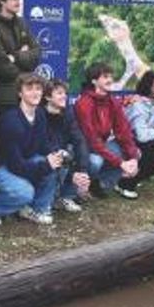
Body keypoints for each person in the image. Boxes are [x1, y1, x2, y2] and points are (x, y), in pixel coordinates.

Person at [0, 74, 62, 225]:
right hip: (1, 167)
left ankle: (37, 209)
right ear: (20, 93)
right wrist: (45, 165)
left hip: (23, 161)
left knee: (53, 163)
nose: (35, 93)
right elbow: (15, 165)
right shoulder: (11, 121)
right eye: (29, 89)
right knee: (24, 192)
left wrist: (55, 153)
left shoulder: (40, 114)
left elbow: (42, 144)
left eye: (38, 89)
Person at [74, 62, 141, 199]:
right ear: (94, 81)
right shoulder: (84, 103)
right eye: (105, 77)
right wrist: (121, 163)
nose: (110, 80)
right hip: (83, 147)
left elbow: (124, 132)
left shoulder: (112, 101)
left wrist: (133, 158)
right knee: (95, 161)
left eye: (111, 76)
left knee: (134, 152)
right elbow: (91, 140)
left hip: (101, 145)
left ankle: (100, 184)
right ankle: (77, 189)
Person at [0, 0, 41, 112]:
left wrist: (15, 56)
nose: (18, 2)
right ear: (1, 0)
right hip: (3, 99)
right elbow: (1, 66)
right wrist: (24, 60)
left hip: (24, 97)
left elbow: (37, 54)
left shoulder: (21, 22)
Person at [43, 78, 92, 213]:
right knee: (62, 156)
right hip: (46, 155)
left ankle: (66, 197)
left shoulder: (68, 112)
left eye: (65, 93)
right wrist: (62, 154)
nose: (64, 96)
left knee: (85, 157)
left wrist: (82, 171)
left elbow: (79, 139)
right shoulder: (41, 114)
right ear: (47, 97)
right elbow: (43, 144)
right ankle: (47, 201)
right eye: (59, 93)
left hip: (62, 153)